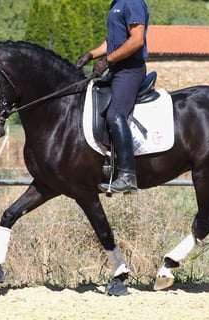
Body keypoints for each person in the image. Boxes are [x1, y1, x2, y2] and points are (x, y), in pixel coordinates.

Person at [76, 0, 149, 194]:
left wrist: (107, 60)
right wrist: (90, 54)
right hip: (116, 70)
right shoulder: (116, 4)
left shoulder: (132, 3)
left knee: (115, 115)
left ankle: (127, 176)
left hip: (130, 70)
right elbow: (113, 42)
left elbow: (136, 40)